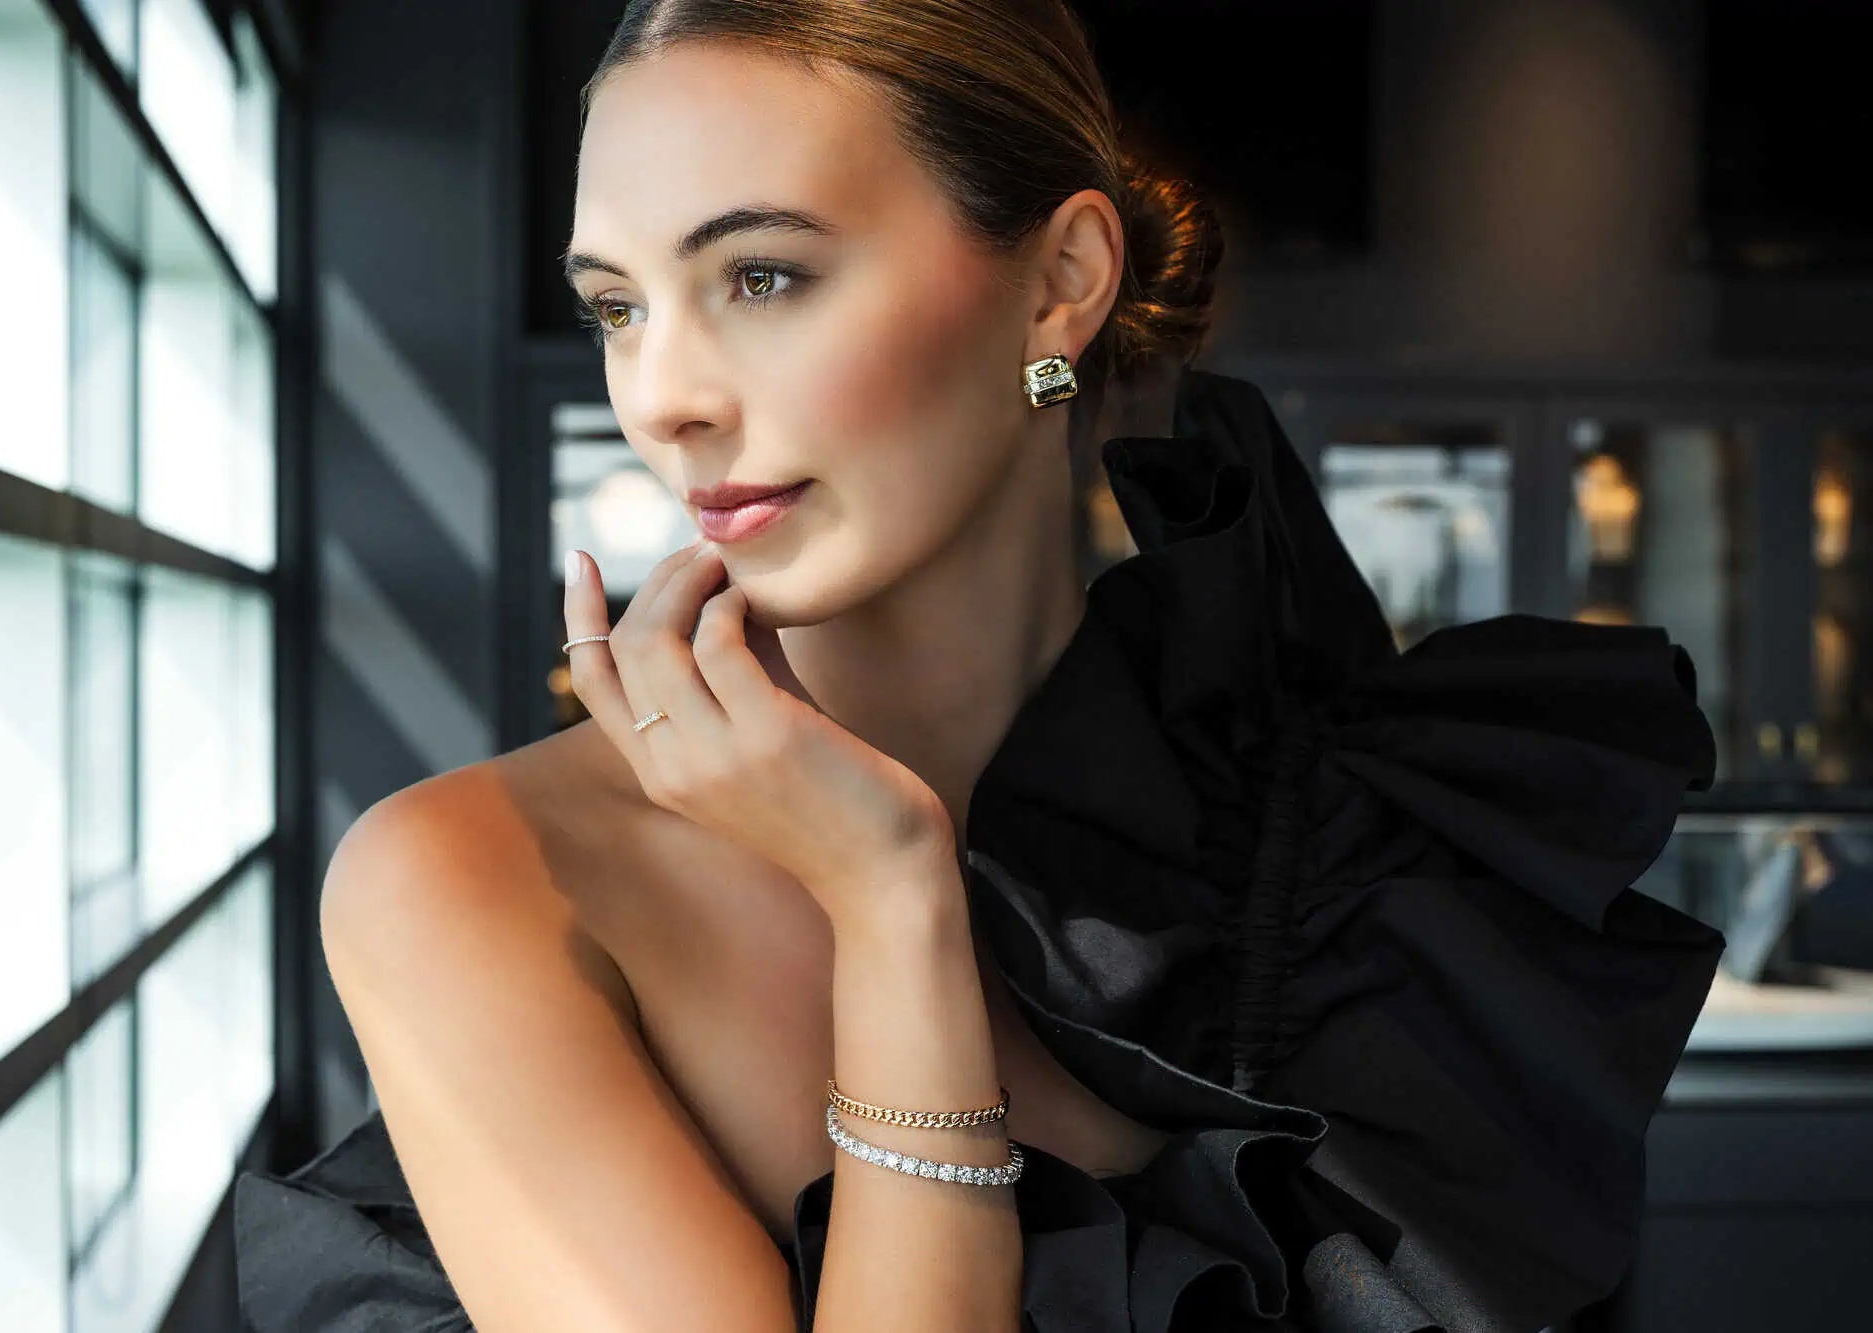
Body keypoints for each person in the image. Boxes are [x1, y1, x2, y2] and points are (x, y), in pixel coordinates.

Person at [233, 2, 1725, 1329]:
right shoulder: (480, 883)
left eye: (760, 276)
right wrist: (891, 905)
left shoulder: (1377, 837)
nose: (665, 397)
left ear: (1060, 281)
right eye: (617, 305)